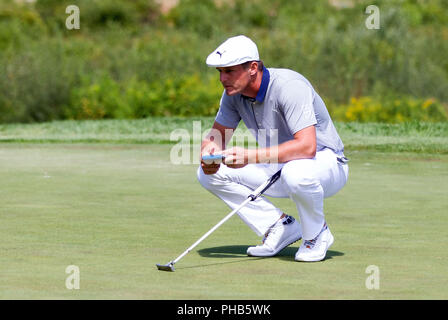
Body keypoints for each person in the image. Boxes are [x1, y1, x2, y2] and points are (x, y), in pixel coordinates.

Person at [197, 35, 349, 262]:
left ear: (253, 68)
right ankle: (280, 226)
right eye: (220, 71)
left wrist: (249, 156)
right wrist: (208, 155)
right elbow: (216, 137)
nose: (222, 78)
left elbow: (307, 147)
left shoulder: (290, 86)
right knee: (207, 175)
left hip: (326, 164)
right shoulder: (233, 95)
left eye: (229, 71)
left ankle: (317, 235)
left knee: (295, 172)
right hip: (281, 166)